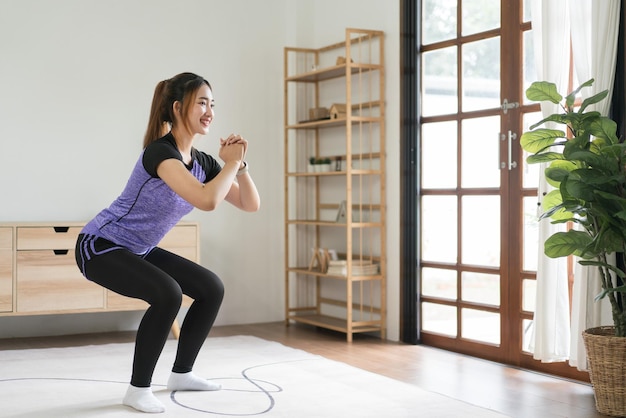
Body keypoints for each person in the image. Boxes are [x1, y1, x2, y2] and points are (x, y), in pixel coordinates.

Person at [75, 72, 260, 413]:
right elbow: (207, 200)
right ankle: (137, 389)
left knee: (211, 288)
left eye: (212, 104)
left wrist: (241, 167)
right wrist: (230, 164)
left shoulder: (202, 162)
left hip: (139, 249)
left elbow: (250, 204)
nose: (210, 111)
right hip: (100, 245)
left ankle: (181, 373)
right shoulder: (160, 154)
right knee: (168, 294)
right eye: (201, 102)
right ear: (177, 108)